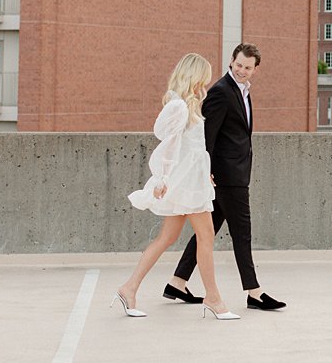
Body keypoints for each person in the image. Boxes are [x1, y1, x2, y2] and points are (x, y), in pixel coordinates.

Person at [113, 53, 239, 320]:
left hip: (191, 180)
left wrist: (204, 174)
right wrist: (162, 179)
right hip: (185, 183)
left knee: (168, 238)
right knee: (205, 236)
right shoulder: (180, 106)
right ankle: (214, 299)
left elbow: (191, 148)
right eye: (203, 76)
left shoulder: (186, 104)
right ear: (194, 75)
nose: (206, 82)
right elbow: (168, 144)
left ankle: (129, 287)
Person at [165, 43, 286, 311]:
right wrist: (205, 171)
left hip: (232, 172)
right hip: (226, 176)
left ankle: (177, 281)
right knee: (242, 232)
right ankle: (254, 292)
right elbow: (208, 136)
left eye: (247, 67)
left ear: (255, 70)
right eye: (238, 64)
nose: (241, 70)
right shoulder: (221, 91)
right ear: (231, 61)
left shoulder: (241, 90)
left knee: (207, 232)